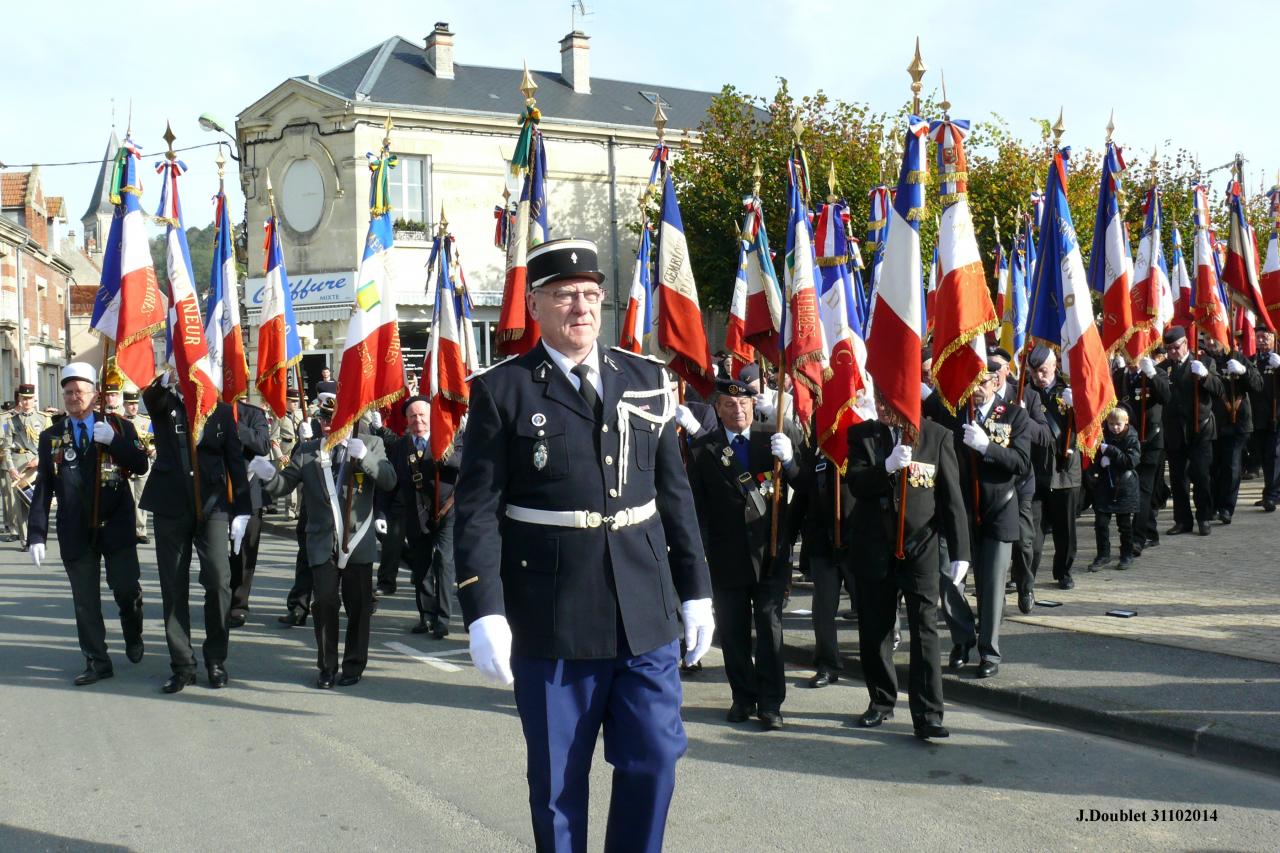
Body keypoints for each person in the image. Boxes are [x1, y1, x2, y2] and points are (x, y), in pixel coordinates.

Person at [453, 238, 714, 853]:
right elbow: (478, 511)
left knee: (656, 756)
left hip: (644, 613)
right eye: (565, 295)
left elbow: (674, 497)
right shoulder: (504, 390)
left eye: (591, 294)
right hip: (552, 619)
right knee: (557, 787)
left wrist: (697, 590)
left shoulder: (646, 379)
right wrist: (484, 609)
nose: (581, 307)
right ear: (535, 305)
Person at [846, 391, 968, 738]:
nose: (882, 407)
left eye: (889, 401)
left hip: (921, 548)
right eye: (879, 400)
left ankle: (928, 714)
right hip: (875, 546)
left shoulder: (936, 436)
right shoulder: (862, 435)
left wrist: (960, 552)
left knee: (925, 629)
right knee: (876, 630)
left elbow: (951, 498)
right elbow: (856, 483)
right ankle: (881, 701)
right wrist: (885, 467)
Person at [252, 413, 396, 688]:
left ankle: (354, 664)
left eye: (334, 417)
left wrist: (365, 457)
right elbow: (284, 485)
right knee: (325, 602)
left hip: (356, 540)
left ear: (349, 417)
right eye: (324, 418)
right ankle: (327, 667)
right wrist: (269, 474)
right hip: (322, 541)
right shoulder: (308, 451)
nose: (328, 423)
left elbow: (389, 480)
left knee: (359, 606)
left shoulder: (371, 443)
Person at [27, 363, 149, 685]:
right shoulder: (52, 436)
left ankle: (132, 629)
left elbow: (140, 464)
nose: (73, 397)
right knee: (86, 601)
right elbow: (44, 487)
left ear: (95, 395)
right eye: (67, 392)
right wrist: (36, 534)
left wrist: (114, 442)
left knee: (126, 589)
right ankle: (97, 660)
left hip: (116, 526)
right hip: (76, 529)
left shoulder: (119, 426)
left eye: (79, 391)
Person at [688, 377, 796, 729]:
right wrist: (700, 554)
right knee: (733, 631)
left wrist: (791, 462)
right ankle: (743, 697)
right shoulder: (704, 449)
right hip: (727, 555)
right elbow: (697, 508)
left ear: (753, 405)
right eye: (730, 405)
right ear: (718, 409)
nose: (738, 410)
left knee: (769, 627)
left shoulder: (773, 438)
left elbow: (805, 487)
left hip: (770, 553)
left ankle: (771, 703)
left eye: (744, 404)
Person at [141, 377, 252, 693]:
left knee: (218, 581)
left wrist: (242, 509)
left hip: (212, 505)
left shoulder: (221, 411)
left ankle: (215, 659)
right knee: (173, 586)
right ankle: (183, 665)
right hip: (170, 506)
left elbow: (234, 461)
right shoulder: (164, 403)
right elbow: (151, 399)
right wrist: (165, 379)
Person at [926, 358, 1030, 678]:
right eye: (971, 382)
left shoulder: (1014, 415)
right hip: (958, 511)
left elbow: (1022, 463)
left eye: (982, 382)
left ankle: (989, 651)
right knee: (947, 578)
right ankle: (962, 638)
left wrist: (988, 447)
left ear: (996, 382)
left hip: (998, 510)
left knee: (991, 586)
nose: (976, 389)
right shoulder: (953, 413)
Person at [387, 396, 460, 637]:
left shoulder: (450, 438)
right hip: (415, 513)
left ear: (432, 417)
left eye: (422, 415)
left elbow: (465, 464)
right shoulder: (400, 447)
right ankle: (426, 616)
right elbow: (392, 483)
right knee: (421, 566)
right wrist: (383, 513)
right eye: (412, 416)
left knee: (443, 561)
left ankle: (443, 618)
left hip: (446, 511)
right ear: (406, 420)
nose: (418, 421)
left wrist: (443, 453)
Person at [787, 431, 855, 688]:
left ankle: (877, 666)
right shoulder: (816, 452)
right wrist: (787, 538)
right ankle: (827, 664)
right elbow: (802, 495)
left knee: (871, 607)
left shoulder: (862, 445)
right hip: (822, 544)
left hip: (856, 543)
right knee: (823, 610)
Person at [1024, 346, 1082, 590]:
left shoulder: (1068, 389)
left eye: (1043, 371)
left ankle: (1063, 571)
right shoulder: (1025, 393)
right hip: (1035, 469)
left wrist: (1079, 406)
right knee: (1032, 531)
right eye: (1034, 372)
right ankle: (1026, 576)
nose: (1039, 376)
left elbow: (1093, 424)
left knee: (1064, 529)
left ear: (1054, 366)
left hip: (1064, 470)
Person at [1161, 326, 1224, 536]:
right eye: (1168, 349)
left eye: (1175, 347)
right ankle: (1182, 520)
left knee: (1201, 476)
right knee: (1178, 479)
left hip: (1200, 430)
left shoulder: (1205, 362)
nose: (1172, 352)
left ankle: (1204, 517)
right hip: (1174, 431)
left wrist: (1205, 377)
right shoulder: (1164, 368)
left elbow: (1219, 390)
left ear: (1186, 344)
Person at [1111, 353, 1170, 555]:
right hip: (1128, 441)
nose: (1130, 360)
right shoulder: (1119, 375)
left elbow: (1166, 397)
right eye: (1126, 354)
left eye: (1133, 354)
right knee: (1135, 488)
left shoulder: (1157, 373)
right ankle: (1151, 532)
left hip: (1150, 441)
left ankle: (1137, 539)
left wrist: (1152, 375)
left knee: (1143, 490)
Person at [1205, 334, 1261, 524]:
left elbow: (1258, 385)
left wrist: (1244, 372)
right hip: (1211, 423)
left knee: (1231, 466)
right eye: (1207, 338)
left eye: (1214, 338)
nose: (1210, 342)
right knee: (1212, 467)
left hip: (1237, 423)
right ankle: (1212, 506)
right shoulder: (1203, 360)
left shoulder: (1237, 357)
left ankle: (1226, 508)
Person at [228, 395, 271, 628]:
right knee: (219, 552)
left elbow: (263, 445)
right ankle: (219, 596)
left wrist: (237, 427)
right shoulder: (210, 412)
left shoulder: (254, 414)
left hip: (249, 493)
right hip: (219, 492)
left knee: (245, 553)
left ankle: (238, 605)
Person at [1088, 408, 1143, 570]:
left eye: (1118, 424)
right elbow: (1093, 456)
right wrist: (1099, 463)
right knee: (1101, 523)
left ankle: (1127, 554)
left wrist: (1111, 451)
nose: (1115, 428)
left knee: (1124, 525)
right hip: (1105, 486)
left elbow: (1131, 461)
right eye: (1111, 424)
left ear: (1126, 422)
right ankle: (1103, 554)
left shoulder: (1131, 438)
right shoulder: (1103, 435)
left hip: (1124, 487)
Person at [1, 384, 51, 548]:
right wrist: (11, 468)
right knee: (20, 505)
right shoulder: (10, 421)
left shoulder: (44, 419)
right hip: (19, 464)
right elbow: (6, 448)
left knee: (38, 502)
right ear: (19, 400)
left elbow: (52, 444)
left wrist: (40, 459)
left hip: (38, 465)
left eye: (29, 398)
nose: (27, 402)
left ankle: (38, 537)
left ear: (34, 399)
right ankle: (25, 540)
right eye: (24, 398)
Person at [1250, 330, 1280, 511]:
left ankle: (1271, 495)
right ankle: (1271, 492)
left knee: (1274, 456)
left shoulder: (1277, 358)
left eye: (1265, 337)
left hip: (1277, 415)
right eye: (1258, 337)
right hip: (1258, 416)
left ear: (1274, 338)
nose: (1261, 340)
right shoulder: (1253, 360)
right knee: (1263, 456)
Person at [121, 388, 155, 543]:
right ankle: (128, 529)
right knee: (127, 499)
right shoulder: (119, 421)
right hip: (126, 465)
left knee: (141, 499)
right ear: (124, 404)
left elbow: (154, 442)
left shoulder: (146, 422)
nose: (134, 407)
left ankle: (140, 531)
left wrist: (153, 450)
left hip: (142, 465)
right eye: (130, 404)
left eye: (135, 403)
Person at [269, 389, 304, 519]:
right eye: (292, 401)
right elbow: (273, 438)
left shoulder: (301, 414)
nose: (295, 404)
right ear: (286, 401)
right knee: (289, 482)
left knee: (301, 482)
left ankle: (299, 510)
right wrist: (279, 455)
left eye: (297, 401)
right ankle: (289, 510)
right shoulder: (279, 415)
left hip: (299, 450)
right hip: (286, 451)